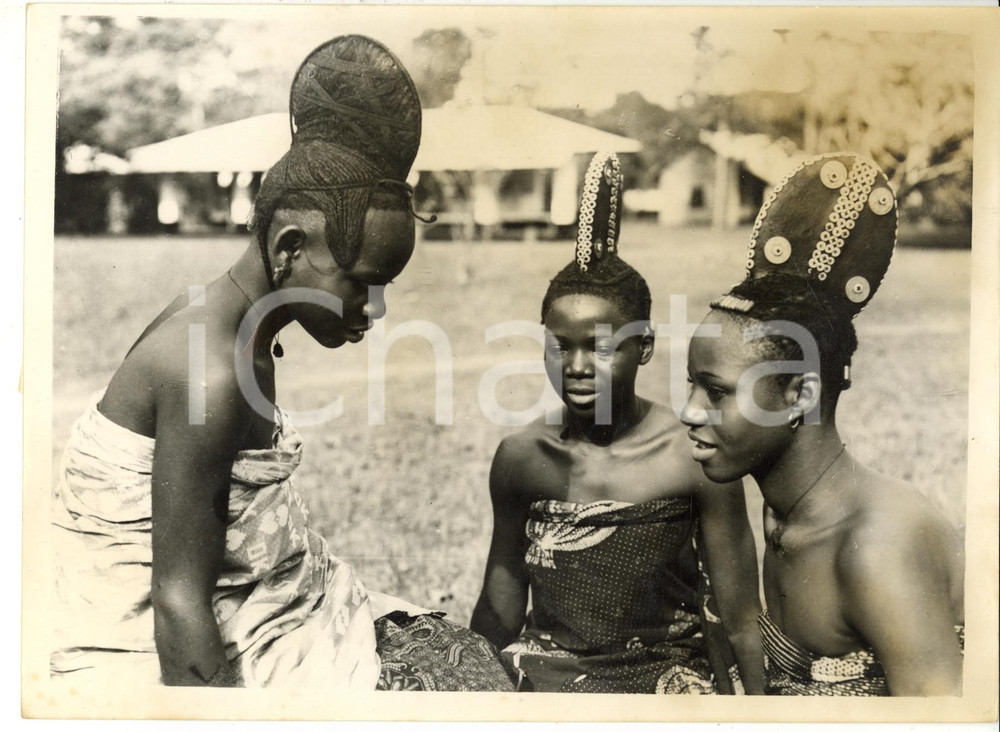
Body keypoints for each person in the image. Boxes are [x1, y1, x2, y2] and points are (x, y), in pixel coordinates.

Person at [51, 35, 514, 692]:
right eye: (363, 283)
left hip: (244, 596)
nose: (374, 309)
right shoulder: (208, 367)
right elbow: (178, 605)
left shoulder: (240, 327)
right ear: (290, 247)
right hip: (142, 639)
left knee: (457, 659)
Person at [470, 153, 764, 694]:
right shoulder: (523, 458)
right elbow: (500, 601)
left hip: (667, 684)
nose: (578, 367)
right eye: (561, 347)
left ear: (644, 348)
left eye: (602, 348)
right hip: (547, 682)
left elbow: (740, 615)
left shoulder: (694, 455)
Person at [681, 153, 965, 696]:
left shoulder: (875, 547)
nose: (690, 411)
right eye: (691, 385)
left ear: (801, 394)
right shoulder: (784, 514)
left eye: (716, 392)